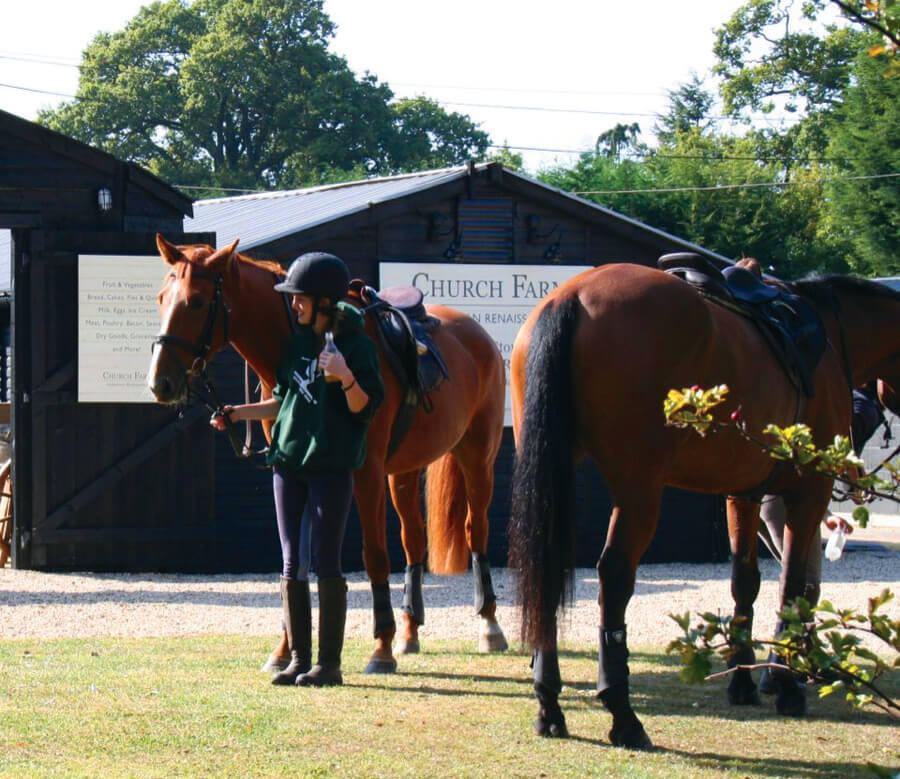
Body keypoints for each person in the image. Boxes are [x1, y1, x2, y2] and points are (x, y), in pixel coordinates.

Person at [211, 252, 384, 687]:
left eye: (300, 298)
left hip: (331, 465)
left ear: (324, 301)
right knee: (292, 563)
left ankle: (329, 665)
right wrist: (238, 413)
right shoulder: (298, 344)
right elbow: (283, 399)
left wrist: (345, 376)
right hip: (287, 463)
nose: (294, 305)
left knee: (327, 560)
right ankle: (300, 659)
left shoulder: (357, 347)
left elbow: (365, 408)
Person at [757, 382, 886, 692]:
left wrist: (826, 515)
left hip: (763, 497)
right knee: (806, 582)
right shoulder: (833, 401)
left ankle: (801, 658)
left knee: (797, 579)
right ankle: (780, 664)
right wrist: (856, 487)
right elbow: (839, 451)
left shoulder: (790, 396)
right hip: (781, 501)